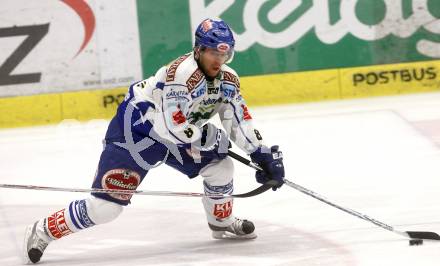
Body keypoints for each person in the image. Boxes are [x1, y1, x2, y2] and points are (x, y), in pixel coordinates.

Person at [23, 18, 285, 264]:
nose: (219, 61)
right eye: (213, 53)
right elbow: (173, 127)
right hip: (137, 132)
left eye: (224, 55)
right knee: (105, 208)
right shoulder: (178, 75)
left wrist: (259, 152)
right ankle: (43, 230)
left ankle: (221, 222)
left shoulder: (229, 80)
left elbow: (236, 119)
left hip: (176, 136)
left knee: (221, 168)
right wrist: (204, 136)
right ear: (198, 50)